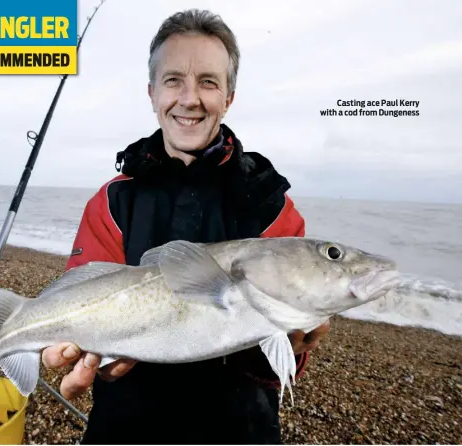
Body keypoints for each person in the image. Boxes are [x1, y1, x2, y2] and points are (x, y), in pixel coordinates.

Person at [42, 8, 330, 444]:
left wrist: (295, 342)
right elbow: (84, 294)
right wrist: (75, 348)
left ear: (229, 97)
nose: (189, 98)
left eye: (209, 82)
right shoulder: (113, 201)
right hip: (125, 428)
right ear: (153, 92)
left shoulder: (272, 206)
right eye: (174, 79)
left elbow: (285, 352)